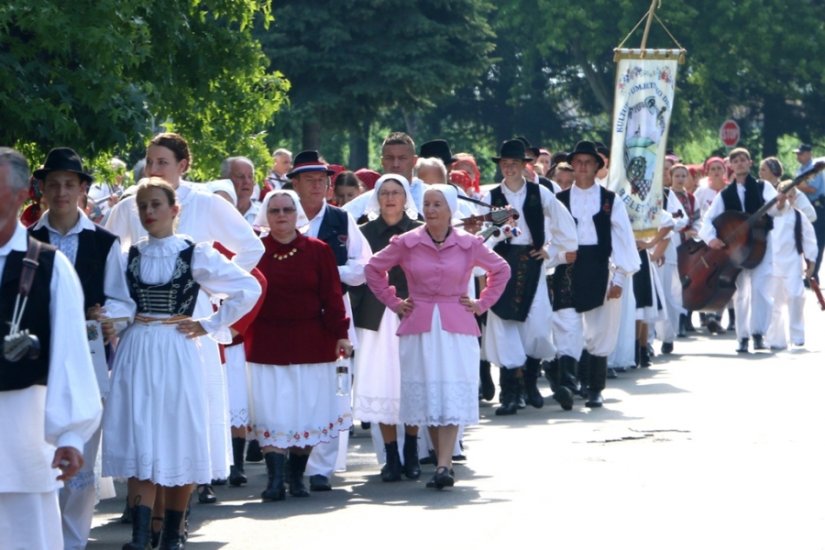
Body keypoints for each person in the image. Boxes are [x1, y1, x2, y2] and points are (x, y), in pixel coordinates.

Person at [105, 133, 264, 505]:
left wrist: (209, 290)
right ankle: (141, 506)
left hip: (188, 317)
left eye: (163, 162)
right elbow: (112, 256)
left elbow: (251, 247)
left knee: (186, 410)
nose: (154, 168)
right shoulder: (131, 204)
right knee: (142, 412)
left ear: (183, 166)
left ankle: (185, 492)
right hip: (142, 320)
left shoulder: (205, 203)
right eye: (150, 161)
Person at [365, 184, 510, 489]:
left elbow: (501, 270)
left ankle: (443, 464)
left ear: (450, 209)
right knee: (430, 394)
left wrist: (481, 303)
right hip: (418, 324)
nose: (430, 210)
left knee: (451, 391)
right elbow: (373, 269)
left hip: (456, 324)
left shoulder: (469, 243)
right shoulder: (407, 241)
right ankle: (440, 461)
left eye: (437, 204)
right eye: (427, 204)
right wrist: (394, 302)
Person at [27, 147, 132, 550]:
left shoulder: (103, 242)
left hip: (88, 355)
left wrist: (107, 315)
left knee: (81, 446)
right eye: (53, 185)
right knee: (39, 446)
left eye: (69, 184)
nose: (61, 192)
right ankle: (42, 536)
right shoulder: (28, 239)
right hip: (36, 357)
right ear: (41, 191)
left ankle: (73, 539)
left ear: (83, 189)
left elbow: (124, 301)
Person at [0, 147, 102, 549]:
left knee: (27, 536)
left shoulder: (49, 266)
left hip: (23, 428)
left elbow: (71, 358)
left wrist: (72, 435)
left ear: (25, 192)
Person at [245, 189, 353, 501]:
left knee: (306, 410)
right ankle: (275, 480)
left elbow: (332, 297)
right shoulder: (254, 251)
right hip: (266, 342)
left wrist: (341, 334)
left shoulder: (318, 250)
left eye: (287, 210)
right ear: (266, 215)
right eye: (275, 210)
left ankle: (296, 477)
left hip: (311, 341)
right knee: (271, 411)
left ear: (297, 215)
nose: (281, 216)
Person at [288, 150, 371, 492]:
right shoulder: (282, 215)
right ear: (295, 183)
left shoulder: (341, 219)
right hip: (292, 318)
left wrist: (327, 272)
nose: (317, 185)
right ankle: (291, 462)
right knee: (293, 387)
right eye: (309, 180)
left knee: (335, 386)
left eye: (322, 180)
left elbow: (363, 267)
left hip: (335, 315)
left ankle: (323, 466)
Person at [482, 139, 578, 415]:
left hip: (532, 264)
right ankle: (509, 393)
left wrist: (550, 251)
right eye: (505, 164)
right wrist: (498, 230)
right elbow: (482, 236)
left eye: (514, 163)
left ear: (524, 166)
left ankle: (531, 382)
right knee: (504, 323)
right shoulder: (490, 198)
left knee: (537, 323)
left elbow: (565, 228)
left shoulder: (540, 194)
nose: (509, 168)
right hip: (501, 265)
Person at [550, 141, 639, 407]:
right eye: (578, 162)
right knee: (566, 323)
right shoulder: (560, 200)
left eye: (589, 162)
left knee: (600, 328)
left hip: (600, 266)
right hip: (568, 266)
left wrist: (620, 277)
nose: (583, 167)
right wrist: (558, 256)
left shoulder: (611, 200)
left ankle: (594, 387)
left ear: (597, 167)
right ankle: (567, 382)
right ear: (572, 166)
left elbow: (624, 239)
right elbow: (549, 235)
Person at [349, 174, 423, 482]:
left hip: (414, 311)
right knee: (382, 383)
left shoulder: (420, 232)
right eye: (385, 193)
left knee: (412, 380)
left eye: (396, 192)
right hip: (377, 316)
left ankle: (412, 452)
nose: (390, 198)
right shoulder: (364, 232)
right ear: (377, 198)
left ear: (406, 198)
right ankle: (391, 455)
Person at [699, 147, 787, 353]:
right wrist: (712, 239)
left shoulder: (762, 186)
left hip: (760, 245)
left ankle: (758, 334)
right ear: (730, 165)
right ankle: (743, 337)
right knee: (740, 294)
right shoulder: (725, 194)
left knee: (760, 290)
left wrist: (781, 204)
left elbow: (775, 210)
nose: (739, 163)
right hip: (737, 250)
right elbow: (708, 221)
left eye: (743, 160)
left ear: (750, 163)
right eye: (735, 160)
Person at [766, 181, 817, 350]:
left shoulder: (798, 216)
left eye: (790, 195)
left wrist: (811, 261)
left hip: (792, 263)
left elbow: (809, 239)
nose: (787, 198)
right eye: (784, 194)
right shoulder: (769, 214)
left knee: (796, 297)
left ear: (795, 197)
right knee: (774, 303)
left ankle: (797, 335)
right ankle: (776, 339)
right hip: (772, 264)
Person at [794, 144, 825, 282]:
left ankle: (813, 274)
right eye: (798, 154)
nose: (798, 156)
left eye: (801, 153)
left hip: (817, 207)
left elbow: (813, 189)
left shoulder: (815, 168)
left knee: (816, 241)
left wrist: (797, 186)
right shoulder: (801, 169)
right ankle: (807, 273)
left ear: (809, 153)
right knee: (804, 240)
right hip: (804, 208)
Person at [222, 156, 260, 225]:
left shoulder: (262, 214)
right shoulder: (216, 211)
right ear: (225, 179)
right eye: (240, 176)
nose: (247, 181)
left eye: (250, 176)